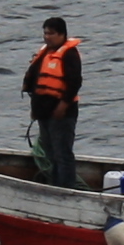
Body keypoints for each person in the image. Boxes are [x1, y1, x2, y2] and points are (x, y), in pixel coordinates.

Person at [22, 17, 84, 187]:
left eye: (52, 33)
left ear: (62, 34)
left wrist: (63, 106)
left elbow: (74, 83)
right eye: (45, 33)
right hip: (43, 112)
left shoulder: (69, 54)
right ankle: (55, 185)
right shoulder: (44, 53)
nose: (47, 37)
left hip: (62, 113)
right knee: (50, 153)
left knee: (62, 154)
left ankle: (67, 189)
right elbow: (35, 83)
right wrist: (34, 109)